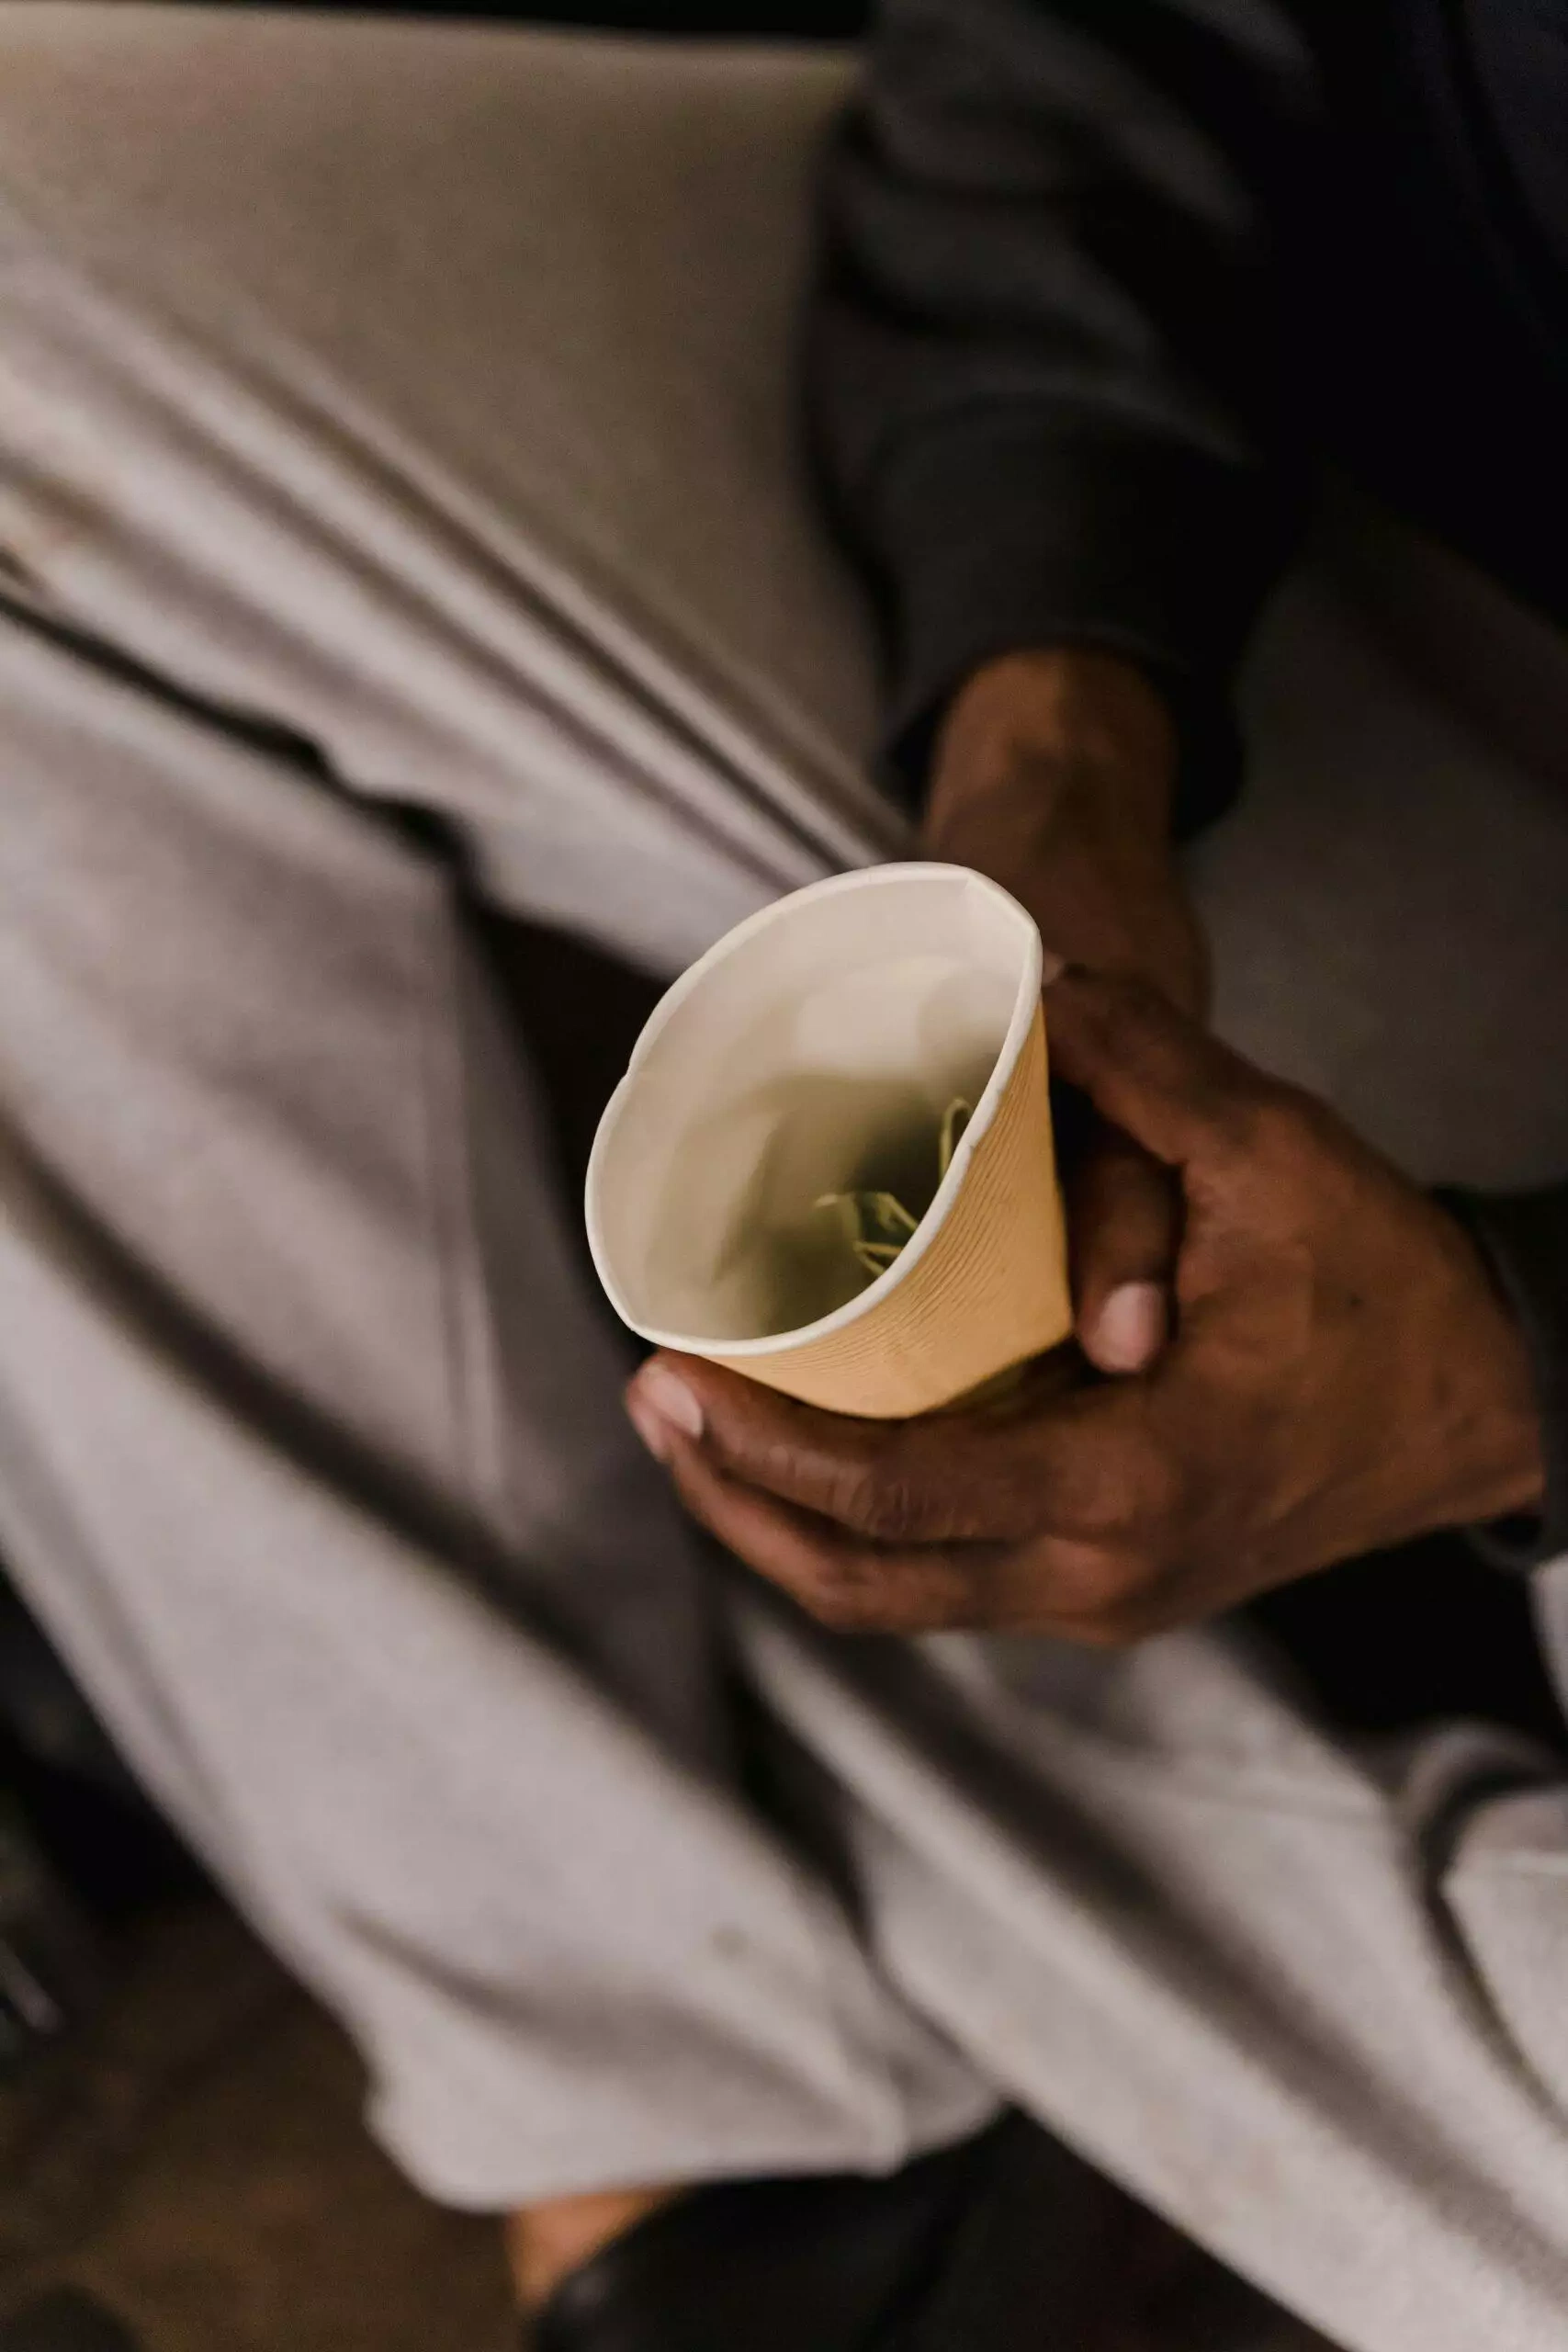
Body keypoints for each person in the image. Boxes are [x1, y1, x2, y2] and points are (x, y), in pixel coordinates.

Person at [1, 3, 1566, 2346]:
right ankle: (714, 2117)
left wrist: (1506, 1372)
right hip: (1391, 554)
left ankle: (789, 1821)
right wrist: (1051, 737)